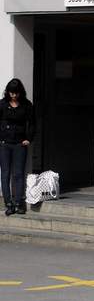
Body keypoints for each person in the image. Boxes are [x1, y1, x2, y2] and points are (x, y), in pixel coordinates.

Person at [0, 78, 34, 216]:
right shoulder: (2, 104)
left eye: (16, 93)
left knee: (18, 174)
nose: (13, 95)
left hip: (20, 143)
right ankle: (8, 203)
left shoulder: (26, 105)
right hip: (4, 143)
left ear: (20, 92)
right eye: (11, 93)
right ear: (8, 92)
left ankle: (19, 203)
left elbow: (32, 123)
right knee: (5, 174)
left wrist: (28, 138)